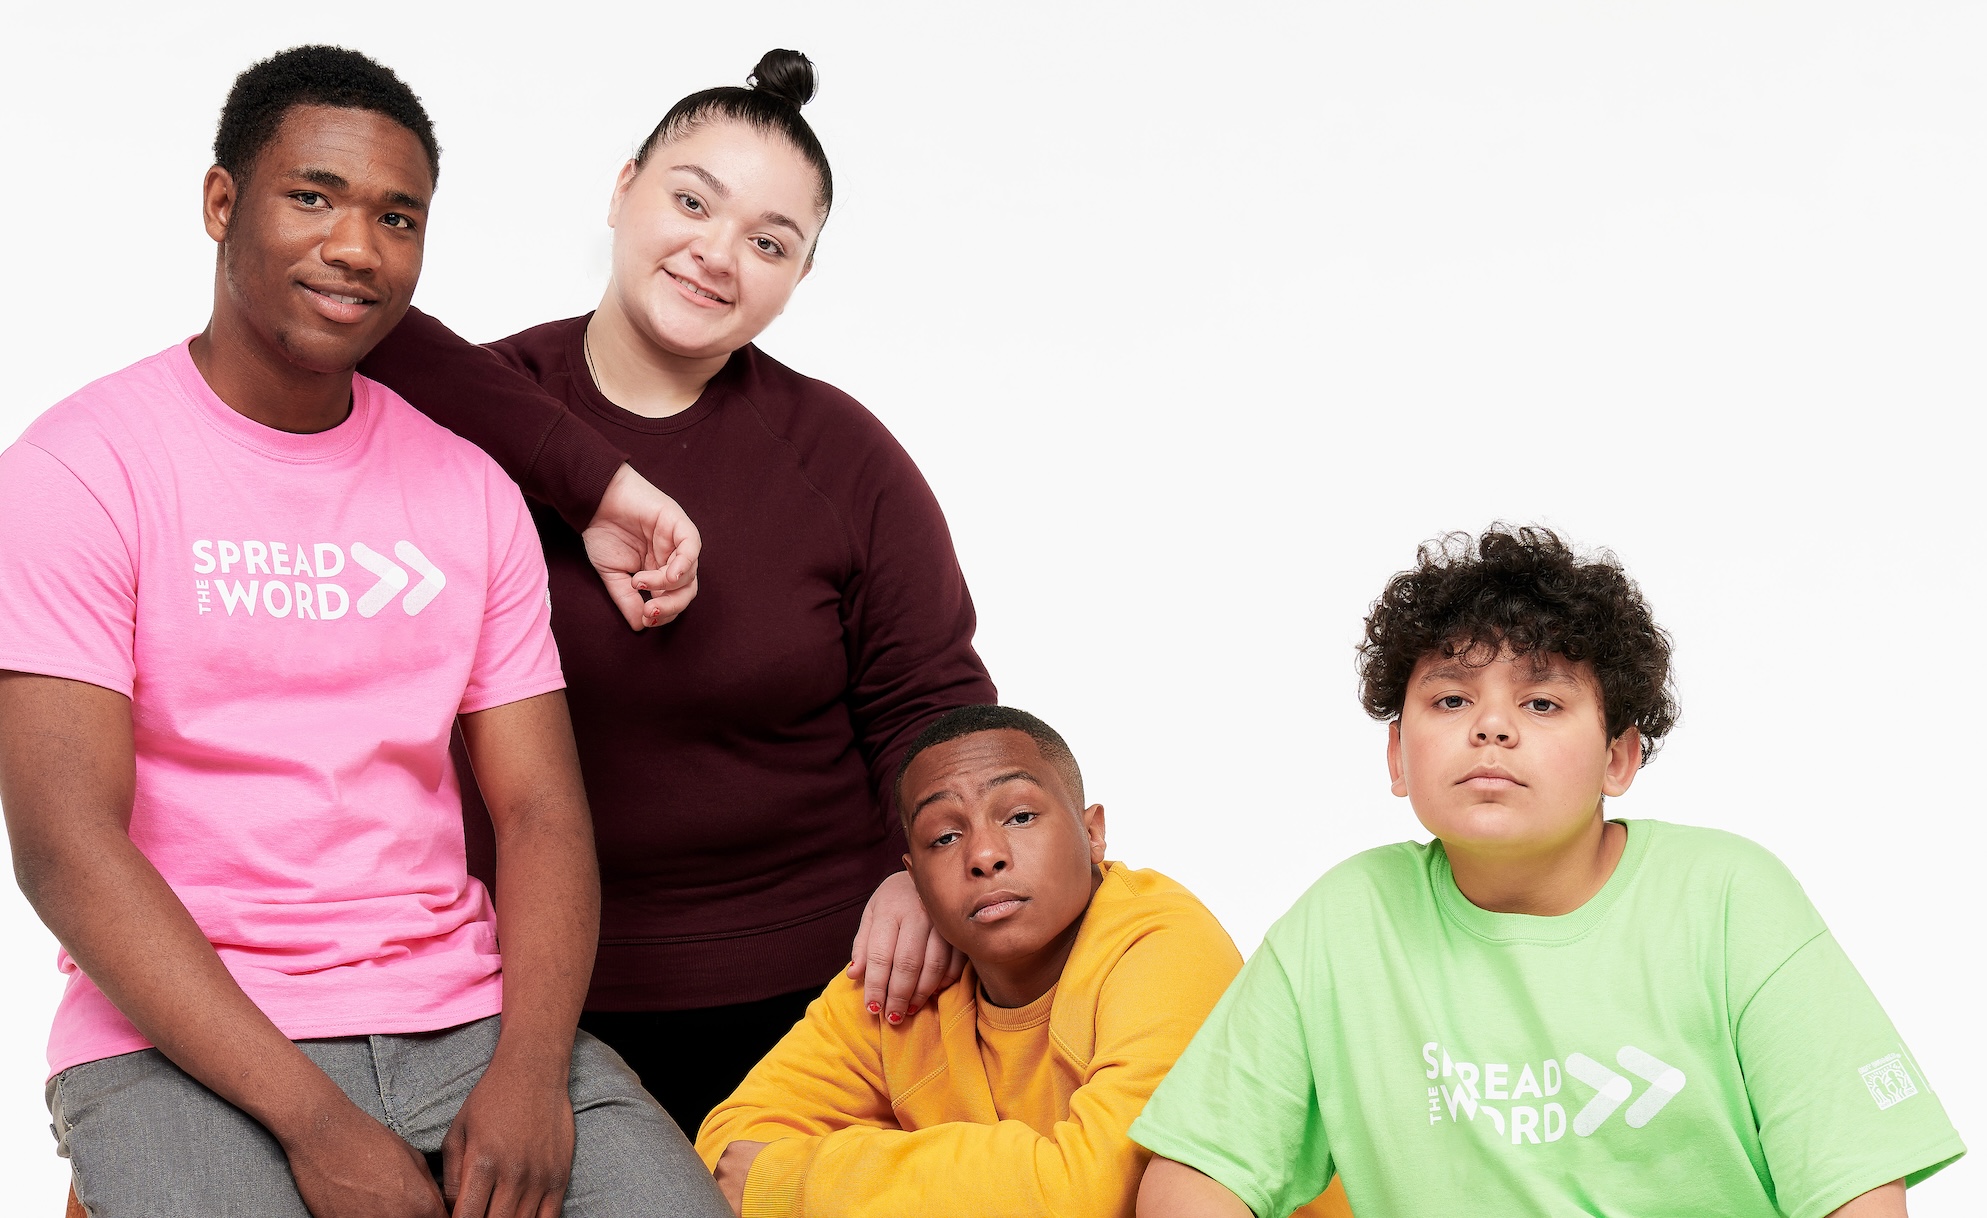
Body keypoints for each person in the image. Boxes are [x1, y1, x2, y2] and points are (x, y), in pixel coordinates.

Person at [0, 46, 727, 1218]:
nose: (356, 246)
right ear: (221, 204)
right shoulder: (76, 473)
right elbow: (63, 845)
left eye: (398, 217)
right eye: (312, 197)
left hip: (461, 1018)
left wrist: (534, 1071)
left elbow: (539, 809)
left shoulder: (466, 488)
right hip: (179, 1036)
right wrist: (317, 1125)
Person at [353, 48, 995, 1130]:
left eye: (768, 242)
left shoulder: (840, 456)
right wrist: (591, 479)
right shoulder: (483, 412)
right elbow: (364, 325)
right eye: (690, 200)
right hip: (523, 997)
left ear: (798, 279)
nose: (715, 255)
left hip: (827, 994)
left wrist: (919, 872)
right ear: (622, 189)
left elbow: (931, 702)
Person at [1130, 527, 1966, 1217]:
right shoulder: (1347, 921)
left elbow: (1855, 1191)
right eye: (1450, 700)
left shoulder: (1727, 899)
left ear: (1618, 756)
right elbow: (1196, 1172)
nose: (1490, 727)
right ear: (1397, 755)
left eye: (1541, 703)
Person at [693, 706, 1353, 1218]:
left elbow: (1096, 1194)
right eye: (943, 836)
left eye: (1019, 815)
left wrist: (800, 1182)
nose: (984, 854)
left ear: (1092, 832)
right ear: (912, 880)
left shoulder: (1158, 939)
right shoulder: (903, 970)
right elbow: (725, 1149)